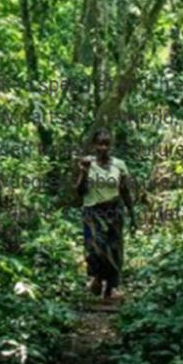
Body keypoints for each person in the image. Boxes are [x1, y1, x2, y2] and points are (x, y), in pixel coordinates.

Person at [74, 128, 135, 300]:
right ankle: (98, 278)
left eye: (106, 144)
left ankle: (109, 289)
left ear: (111, 146)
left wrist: (132, 214)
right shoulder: (87, 164)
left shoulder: (119, 165)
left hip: (113, 211)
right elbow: (78, 191)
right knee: (95, 249)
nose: (103, 147)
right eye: (100, 144)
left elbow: (125, 191)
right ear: (94, 145)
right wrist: (84, 172)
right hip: (92, 211)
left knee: (114, 249)